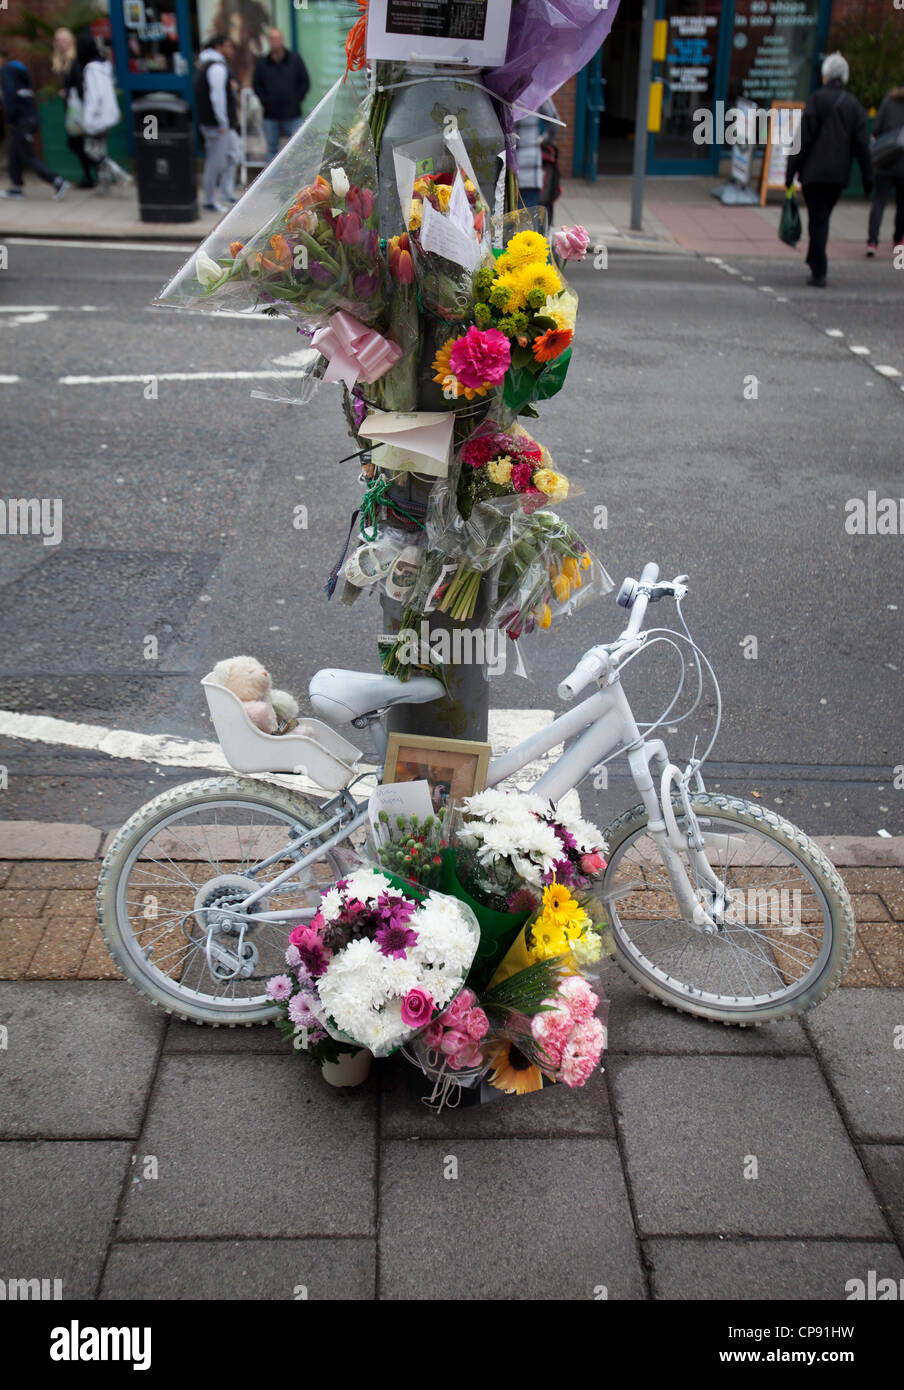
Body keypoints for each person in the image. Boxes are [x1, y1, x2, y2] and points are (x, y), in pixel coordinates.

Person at [785, 51, 871, 288]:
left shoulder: (816, 100)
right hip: (837, 175)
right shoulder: (853, 105)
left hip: (813, 173)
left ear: (825, 75)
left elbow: (801, 139)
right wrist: (867, 176)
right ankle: (815, 260)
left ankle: (818, 267)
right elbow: (862, 144)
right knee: (822, 218)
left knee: (818, 219)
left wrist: (790, 172)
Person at [0, 44, 69, 200]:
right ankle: (16, 187)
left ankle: (57, 181)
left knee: (27, 156)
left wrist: (9, 117)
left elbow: (10, 96)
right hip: (28, 117)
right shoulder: (19, 70)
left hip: (21, 120)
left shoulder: (6, 72)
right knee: (13, 154)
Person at [76, 32, 130, 193]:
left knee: (91, 150)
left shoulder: (91, 69)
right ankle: (104, 184)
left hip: (98, 116)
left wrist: (89, 118)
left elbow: (94, 96)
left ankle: (118, 173)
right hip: (109, 114)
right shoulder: (104, 66)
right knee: (101, 148)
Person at [195, 33, 240, 213]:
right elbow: (217, 97)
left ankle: (226, 192)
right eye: (228, 45)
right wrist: (222, 122)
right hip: (218, 125)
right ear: (219, 46)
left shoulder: (209, 65)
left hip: (222, 124)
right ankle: (209, 199)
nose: (230, 50)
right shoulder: (216, 68)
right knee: (215, 162)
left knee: (232, 156)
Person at [253, 28, 309, 162]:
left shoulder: (294, 59)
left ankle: (296, 179)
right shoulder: (262, 62)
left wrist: (296, 99)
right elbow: (257, 85)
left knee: (296, 147)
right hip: (270, 114)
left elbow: (305, 82)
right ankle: (271, 182)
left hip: (292, 113)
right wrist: (265, 101)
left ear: (282, 40)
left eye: (277, 38)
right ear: (268, 41)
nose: (275, 42)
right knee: (272, 150)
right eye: (272, 39)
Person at [53, 27, 94, 189]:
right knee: (78, 142)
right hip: (72, 108)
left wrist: (67, 92)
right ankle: (90, 173)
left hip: (78, 108)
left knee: (76, 143)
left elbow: (80, 85)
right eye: (59, 40)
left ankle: (92, 172)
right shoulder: (64, 60)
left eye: (65, 39)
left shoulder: (75, 60)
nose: (62, 43)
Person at [866, 83, 904, 255]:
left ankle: (872, 241)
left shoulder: (888, 102)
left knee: (879, 202)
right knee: (902, 204)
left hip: (886, 160)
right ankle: (898, 239)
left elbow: (876, 129)